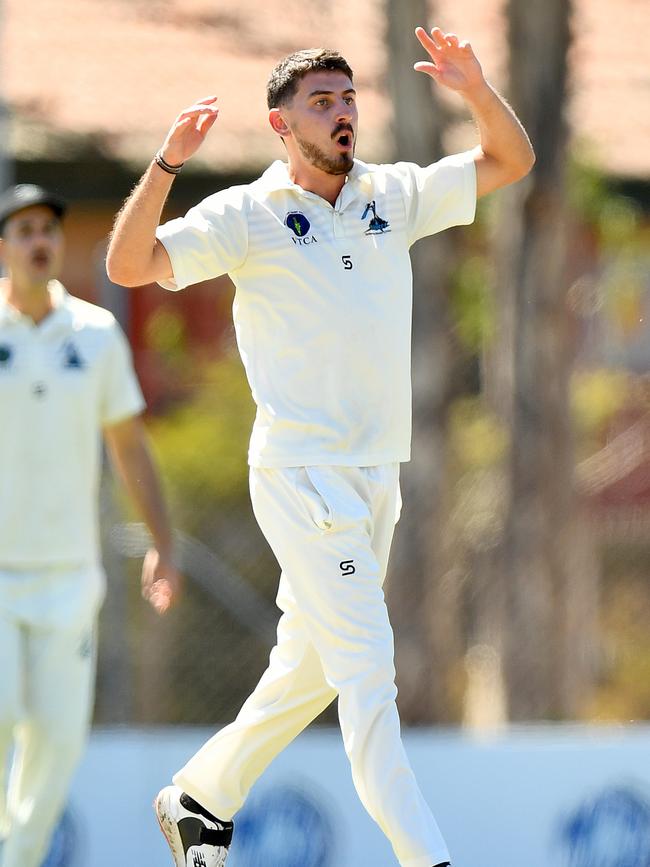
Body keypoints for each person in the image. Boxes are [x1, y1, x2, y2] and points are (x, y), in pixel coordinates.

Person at [107, 24, 534, 867]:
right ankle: (429, 857)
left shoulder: (392, 193)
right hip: (303, 481)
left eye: (349, 99)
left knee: (308, 668)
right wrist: (165, 165)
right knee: (370, 680)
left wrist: (477, 90)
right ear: (282, 126)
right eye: (322, 103)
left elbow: (509, 163)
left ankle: (200, 796)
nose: (343, 115)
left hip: (379, 475)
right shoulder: (246, 214)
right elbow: (127, 265)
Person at [0, 182, 182, 867]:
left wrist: (163, 543)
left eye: (48, 227)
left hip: (69, 573)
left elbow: (129, 445)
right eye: (24, 230)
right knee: (0, 715)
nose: (39, 240)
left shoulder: (96, 334)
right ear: (4, 247)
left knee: (58, 739)